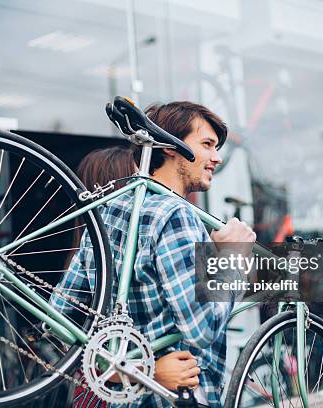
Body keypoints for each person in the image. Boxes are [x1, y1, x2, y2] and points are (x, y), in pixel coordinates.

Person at [53, 101, 256, 407]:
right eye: (207, 145)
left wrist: (131, 370)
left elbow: (59, 320)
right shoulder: (176, 215)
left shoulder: (106, 213)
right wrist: (230, 256)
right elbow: (203, 329)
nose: (216, 157)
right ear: (171, 147)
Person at [71, 146, 204, 408]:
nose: (141, 187)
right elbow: (202, 328)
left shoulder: (91, 244)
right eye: (131, 179)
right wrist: (146, 371)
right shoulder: (159, 222)